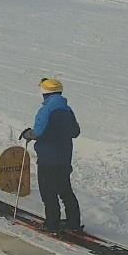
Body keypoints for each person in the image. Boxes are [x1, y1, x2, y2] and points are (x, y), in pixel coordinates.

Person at [20, 78, 81, 233]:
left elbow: (38, 132)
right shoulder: (67, 108)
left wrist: (28, 134)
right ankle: (74, 223)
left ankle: (52, 224)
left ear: (45, 92)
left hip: (48, 157)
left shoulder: (46, 109)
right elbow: (75, 131)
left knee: (48, 191)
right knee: (65, 190)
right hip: (64, 156)